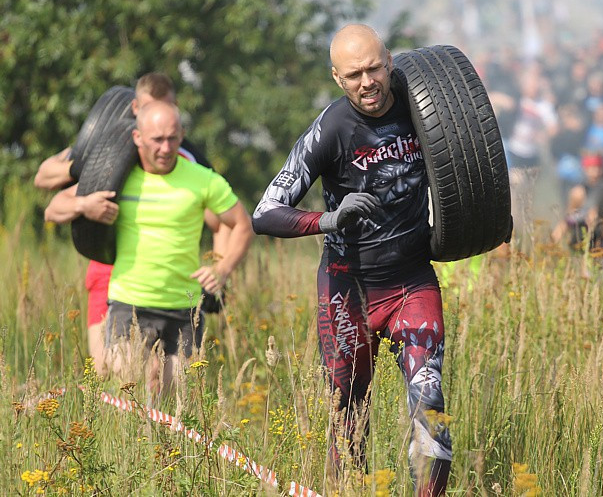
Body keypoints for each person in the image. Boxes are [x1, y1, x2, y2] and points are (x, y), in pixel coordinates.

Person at [252, 24, 450, 496]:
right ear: (338, 78)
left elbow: (469, 152)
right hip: (348, 288)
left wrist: (481, 220)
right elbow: (264, 213)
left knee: (431, 402)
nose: (368, 82)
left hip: (412, 282)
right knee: (348, 412)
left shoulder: (422, 107)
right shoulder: (331, 128)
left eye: (375, 68)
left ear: (390, 62)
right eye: (355, 74)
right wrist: (329, 219)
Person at [35, 73, 231, 374]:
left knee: (156, 376)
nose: (158, 122)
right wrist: (91, 171)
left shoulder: (185, 159)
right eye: (148, 112)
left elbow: (222, 222)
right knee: (104, 371)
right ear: (135, 108)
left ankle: (149, 420)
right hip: (110, 271)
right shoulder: (105, 146)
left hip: (165, 284)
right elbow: (43, 178)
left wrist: (218, 273)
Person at [104, 101, 252, 393]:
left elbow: (243, 225)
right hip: (128, 300)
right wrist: (84, 205)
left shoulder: (202, 179)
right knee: (132, 391)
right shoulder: (117, 177)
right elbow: (62, 200)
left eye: (172, 137)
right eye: (157, 139)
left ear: (182, 135)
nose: (165, 147)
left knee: (176, 399)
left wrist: (223, 268)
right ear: (137, 138)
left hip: (183, 306)